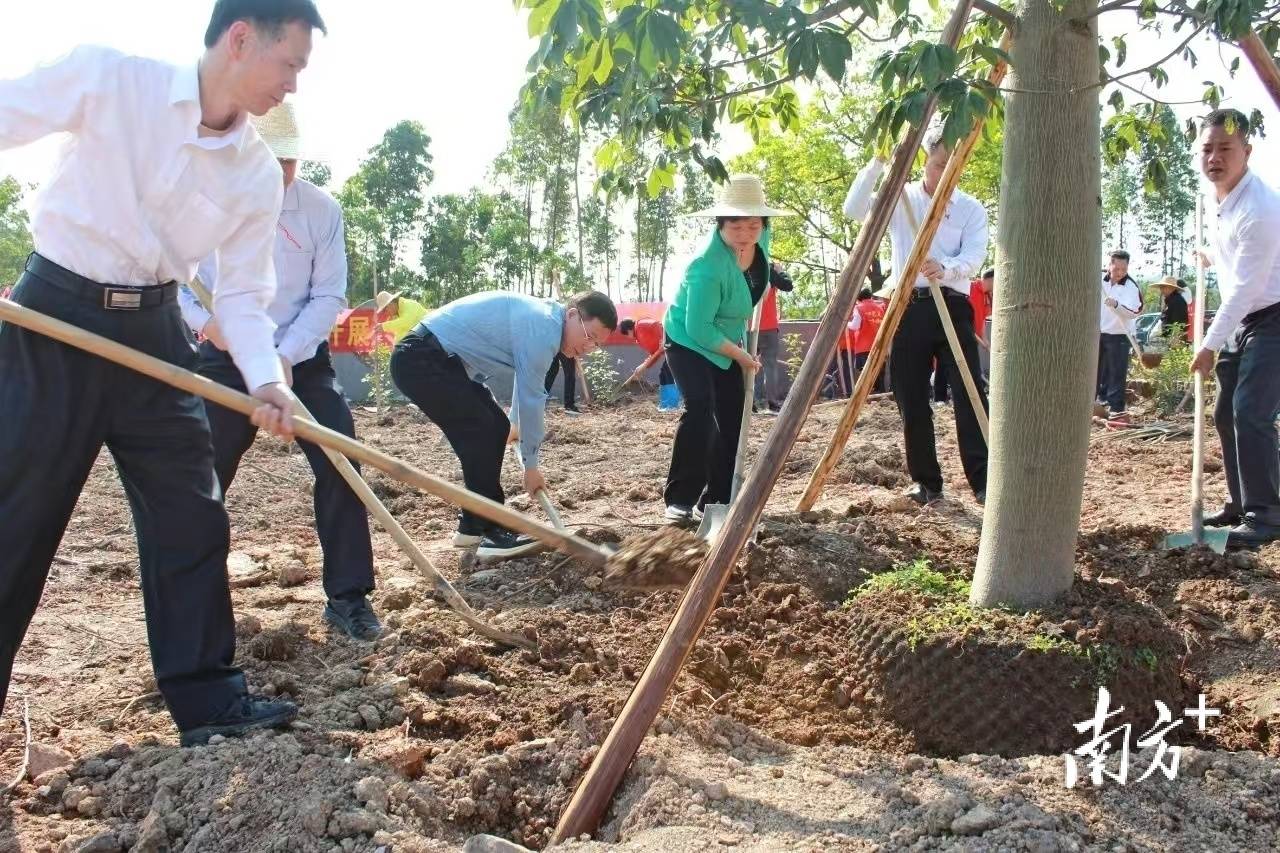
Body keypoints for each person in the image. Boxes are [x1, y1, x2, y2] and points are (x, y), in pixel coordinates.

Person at [0, 0, 327, 747]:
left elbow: (244, 296)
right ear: (242, 40)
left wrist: (267, 381)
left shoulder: (252, 172)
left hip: (154, 335)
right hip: (56, 316)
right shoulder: (111, 79)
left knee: (192, 512)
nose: (293, 88)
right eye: (291, 66)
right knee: (14, 519)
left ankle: (210, 703)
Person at [179, 101, 380, 642]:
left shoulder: (321, 211)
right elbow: (176, 279)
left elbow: (328, 295)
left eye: (288, 161)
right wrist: (208, 325)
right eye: (270, 159)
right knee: (200, 471)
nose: (279, 172)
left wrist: (285, 357)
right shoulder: (205, 200)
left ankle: (348, 597)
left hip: (300, 359)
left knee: (342, 459)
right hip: (225, 357)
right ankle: (197, 605)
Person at [390, 291, 617, 559]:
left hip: (442, 363)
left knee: (495, 427)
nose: (587, 348)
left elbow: (526, 384)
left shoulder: (547, 326)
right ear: (572, 315)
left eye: (596, 345)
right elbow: (531, 398)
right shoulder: (543, 329)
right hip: (420, 360)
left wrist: (514, 426)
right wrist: (531, 467)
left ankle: (477, 525)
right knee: (481, 431)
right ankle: (486, 528)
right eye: (589, 337)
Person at [843, 129, 990, 505]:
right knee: (910, 394)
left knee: (968, 390)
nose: (945, 173)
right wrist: (878, 162)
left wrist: (947, 266)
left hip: (952, 305)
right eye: (939, 164)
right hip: (907, 304)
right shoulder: (901, 198)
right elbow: (854, 210)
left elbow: (975, 257)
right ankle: (926, 482)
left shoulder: (971, 209)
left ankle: (984, 479)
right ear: (926, 160)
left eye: (953, 166)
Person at [662, 174, 792, 522]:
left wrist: (772, 272)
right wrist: (742, 356)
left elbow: (760, 260)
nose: (745, 235)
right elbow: (698, 328)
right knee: (701, 407)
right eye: (736, 227)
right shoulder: (706, 267)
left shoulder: (761, 239)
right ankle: (680, 499)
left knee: (734, 416)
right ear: (720, 224)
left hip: (727, 340)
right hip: (689, 341)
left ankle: (719, 499)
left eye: (753, 226)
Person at [1189, 108, 1280, 547]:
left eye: (1225, 148)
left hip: (1274, 316)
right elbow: (1234, 258)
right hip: (1245, 318)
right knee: (1226, 414)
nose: (1215, 158)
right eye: (1207, 148)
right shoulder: (1217, 197)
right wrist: (1210, 254)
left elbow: (1247, 287)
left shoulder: (1261, 209)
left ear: (1247, 150)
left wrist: (1207, 345)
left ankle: (1267, 515)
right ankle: (1243, 502)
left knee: (1251, 412)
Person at [1097, 249, 1142, 424]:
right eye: (1116, 269)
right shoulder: (1099, 280)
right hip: (1098, 332)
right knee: (1097, 370)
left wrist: (1117, 305)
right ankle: (1095, 403)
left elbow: (1135, 311)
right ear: (1110, 265)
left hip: (1119, 335)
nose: (1119, 273)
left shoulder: (1131, 286)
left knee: (1117, 372)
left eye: (1123, 270)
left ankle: (1116, 409)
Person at [754, 261, 795, 413]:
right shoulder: (770, 273)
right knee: (770, 366)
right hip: (769, 327)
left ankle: (750, 403)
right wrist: (780, 271)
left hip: (749, 327)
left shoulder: (746, 270)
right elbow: (788, 285)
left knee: (748, 366)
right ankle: (772, 402)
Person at [620, 316, 681, 411]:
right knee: (663, 374)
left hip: (675, 343)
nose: (628, 338)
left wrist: (664, 340)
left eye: (626, 335)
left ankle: (672, 405)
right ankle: (666, 404)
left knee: (667, 373)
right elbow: (654, 354)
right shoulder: (640, 337)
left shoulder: (641, 325)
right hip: (669, 347)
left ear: (628, 330)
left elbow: (657, 325)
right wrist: (643, 366)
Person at [849, 287, 888, 393]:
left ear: (858, 298)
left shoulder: (859, 308)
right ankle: (881, 396)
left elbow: (855, 326)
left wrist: (846, 324)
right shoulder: (879, 308)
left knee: (866, 375)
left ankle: (869, 397)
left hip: (864, 347)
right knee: (879, 373)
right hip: (879, 345)